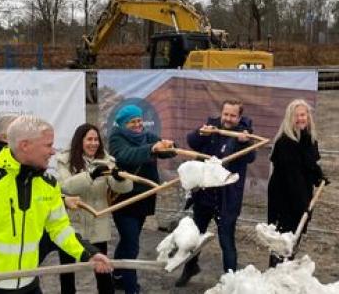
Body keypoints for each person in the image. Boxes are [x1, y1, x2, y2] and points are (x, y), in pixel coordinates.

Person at [0, 115, 113, 294]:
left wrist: (89, 253)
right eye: (48, 145)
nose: (53, 152)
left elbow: (59, 228)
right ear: (25, 145)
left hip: (28, 284)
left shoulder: (48, 185)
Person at [175, 100, 256, 286]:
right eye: (226, 114)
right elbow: (192, 141)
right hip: (205, 195)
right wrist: (200, 132)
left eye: (233, 115)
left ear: (239, 117)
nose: (228, 118)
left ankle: (231, 281)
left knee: (226, 241)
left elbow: (251, 157)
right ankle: (190, 268)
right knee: (195, 237)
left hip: (227, 198)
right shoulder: (212, 128)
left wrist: (244, 143)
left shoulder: (244, 134)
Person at [53, 123, 133, 294]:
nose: (94, 143)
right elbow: (66, 187)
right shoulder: (64, 160)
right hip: (72, 225)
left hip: (98, 225)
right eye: (89, 139)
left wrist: (119, 179)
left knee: (102, 270)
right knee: (67, 272)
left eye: (96, 139)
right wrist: (90, 175)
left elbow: (124, 188)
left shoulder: (107, 160)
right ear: (80, 141)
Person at [107, 104, 176, 294]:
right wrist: (152, 148)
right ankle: (131, 288)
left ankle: (117, 275)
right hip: (124, 200)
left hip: (144, 199)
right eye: (133, 122)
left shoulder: (146, 136)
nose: (138, 124)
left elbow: (166, 150)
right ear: (123, 124)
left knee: (129, 240)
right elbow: (126, 156)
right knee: (131, 245)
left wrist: (169, 146)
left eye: (139, 120)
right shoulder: (116, 138)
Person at [267, 99, 329, 268]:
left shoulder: (309, 138)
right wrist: (303, 206)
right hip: (283, 198)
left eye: (303, 115)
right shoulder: (285, 142)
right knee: (282, 240)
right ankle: (275, 272)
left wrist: (319, 176)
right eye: (296, 116)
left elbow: (310, 164)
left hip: (301, 194)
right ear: (289, 118)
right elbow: (291, 177)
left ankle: (286, 271)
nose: (301, 118)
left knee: (295, 238)